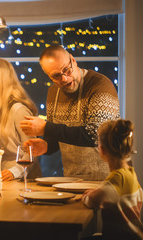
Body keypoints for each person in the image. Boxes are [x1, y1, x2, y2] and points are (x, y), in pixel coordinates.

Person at [21, 45, 120, 180]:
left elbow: (96, 135)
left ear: (73, 60)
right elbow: (59, 136)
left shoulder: (100, 86)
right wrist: (47, 146)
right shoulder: (53, 92)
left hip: (106, 179)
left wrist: (46, 127)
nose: (64, 79)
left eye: (66, 70)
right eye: (56, 76)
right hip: (72, 179)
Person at [82, 119, 143, 240]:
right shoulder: (130, 172)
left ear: (102, 150)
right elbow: (111, 192)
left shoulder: (115, 180)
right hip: (137, 235)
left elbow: (92, 201)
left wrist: (88, 195)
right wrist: (98, 191)